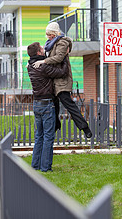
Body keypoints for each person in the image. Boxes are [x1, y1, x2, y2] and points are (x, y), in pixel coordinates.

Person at [33, 22, 92, 138]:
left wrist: (43, 62)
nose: (47, 36)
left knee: (68, 104)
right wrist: (32, 63)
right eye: (47, 34)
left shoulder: (62, 42)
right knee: (53, 105)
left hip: (62, 80)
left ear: (54, 33)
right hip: (54, 80)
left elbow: (58, 58)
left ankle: (85, 128)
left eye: (49, 34)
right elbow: (47, 58)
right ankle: (55, 127)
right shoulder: (50, 44)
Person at [27, 42, 68, 172]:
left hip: (36, 104)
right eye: (41, 48)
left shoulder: (30, 66)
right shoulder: (43, 67)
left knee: (39, 136)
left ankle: (35, 166)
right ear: (39, 52)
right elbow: (62, 72)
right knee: (48, 137)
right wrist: (65, 57)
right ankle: (45, 167)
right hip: (46, 104)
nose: (44, 49)